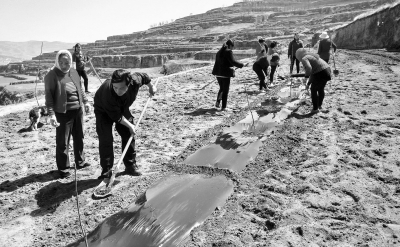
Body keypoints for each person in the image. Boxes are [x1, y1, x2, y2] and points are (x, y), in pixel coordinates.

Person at [94, 69, 156, 179]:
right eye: (115, 87)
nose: (118, 91)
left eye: (122, 88)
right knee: (106, 138)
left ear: (129, 83)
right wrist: (130, 125)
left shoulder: (135, 80)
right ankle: (106, 171)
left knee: (128, 134)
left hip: (122, 107)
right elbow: (116, 116)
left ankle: (130, 165)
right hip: (103, 110)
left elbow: (145, 77)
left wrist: (151, 87)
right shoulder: (107, 92)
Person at [45, 50, 91, 178]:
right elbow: (49, 97)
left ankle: (80, 161)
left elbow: (80, 88)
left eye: (68, 62)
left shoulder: (74, 72)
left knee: (79, 136)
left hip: (78, 110)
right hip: (63, 113)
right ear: (57, 62)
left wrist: (86, 102)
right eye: (62, 63)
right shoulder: (52, 75)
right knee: (63, 141)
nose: (65, 65)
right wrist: (51, 115)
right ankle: (64, 168)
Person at [296, 48, 331, 114]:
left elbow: (309, 68)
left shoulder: (304, 58)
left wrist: (306, 78)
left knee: (313, 90)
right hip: (327, 71)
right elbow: (312, 73)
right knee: (321, 89)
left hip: (320, 72)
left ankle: (315, 109)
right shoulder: (311, 56)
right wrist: (308, 84)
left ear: (299, 55)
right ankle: (319, 105)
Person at [212, 39, 244, 111]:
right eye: (232, 46)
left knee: (222, 88)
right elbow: (233, 62)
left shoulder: (219, 52)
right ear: (230, 45)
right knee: (225, 90)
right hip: (225, 74)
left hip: (218, 73)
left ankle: (217, 102)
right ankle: (224, 107)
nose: (232, 48)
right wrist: (241, 65)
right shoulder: (228, 51)